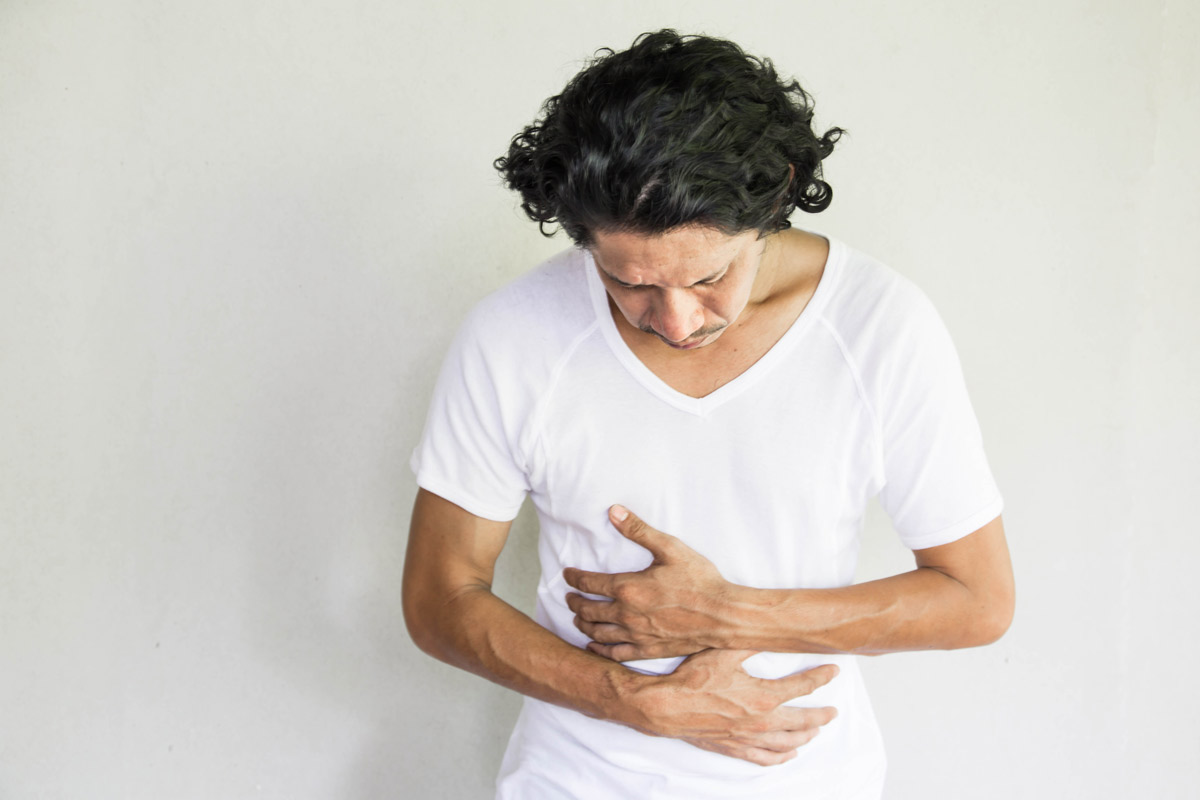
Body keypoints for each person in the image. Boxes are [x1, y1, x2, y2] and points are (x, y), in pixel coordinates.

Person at [402, 29, 1014, 800]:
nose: (679, 321)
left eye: (709, 276)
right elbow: (438, 597)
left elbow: (977, 601)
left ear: (775, 196)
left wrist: (731, 616)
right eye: (630, 285)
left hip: (808, 781)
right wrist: (633, 702)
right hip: (575, 781)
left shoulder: (880, 327)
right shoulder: (515, 333)